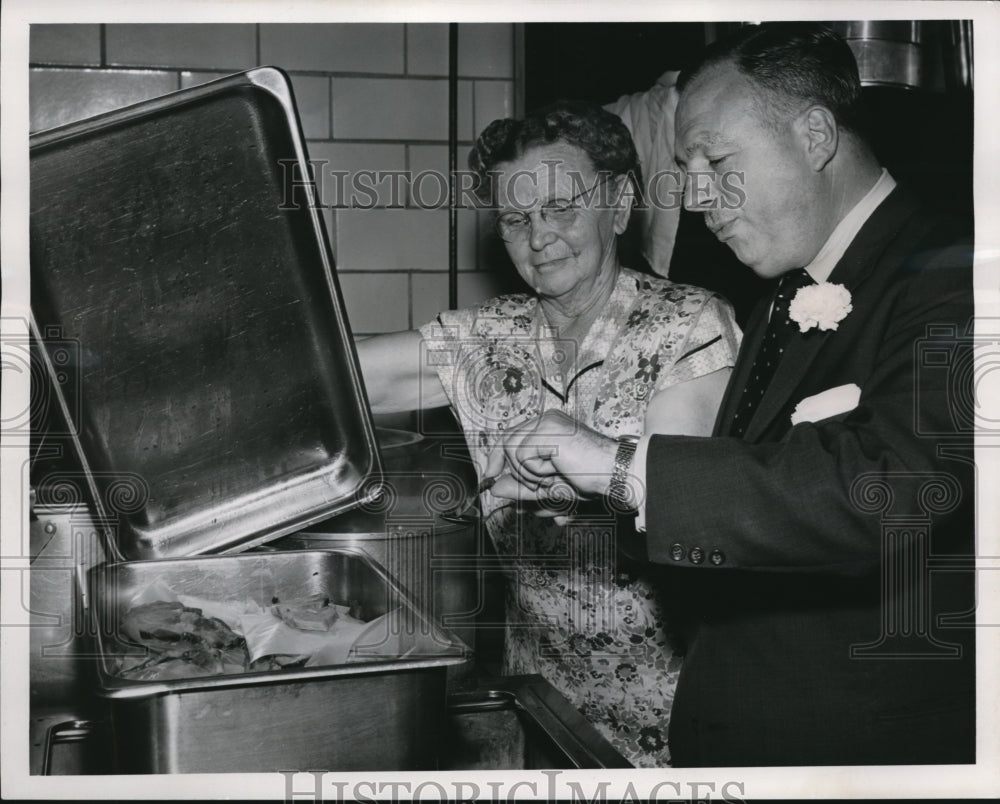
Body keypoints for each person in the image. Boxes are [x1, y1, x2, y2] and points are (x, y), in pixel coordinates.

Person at [487, 23, 975, 767]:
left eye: (715, 159)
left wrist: (622, 464)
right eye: (683, 166)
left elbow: (895, 487)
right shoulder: (781, 294)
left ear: (814, 135)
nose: (693, 194)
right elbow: (755, 513)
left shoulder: (956, 279)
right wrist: (599, 501)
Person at [357, 100, 740, 766]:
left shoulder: (688, 324)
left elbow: (681, 500)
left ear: (617, 206)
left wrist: (585, 478)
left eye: (561, 209)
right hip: (543, 703)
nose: (539, 239)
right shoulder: (491, 336)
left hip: (675, 716)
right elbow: (345, 380)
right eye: (516, 219)